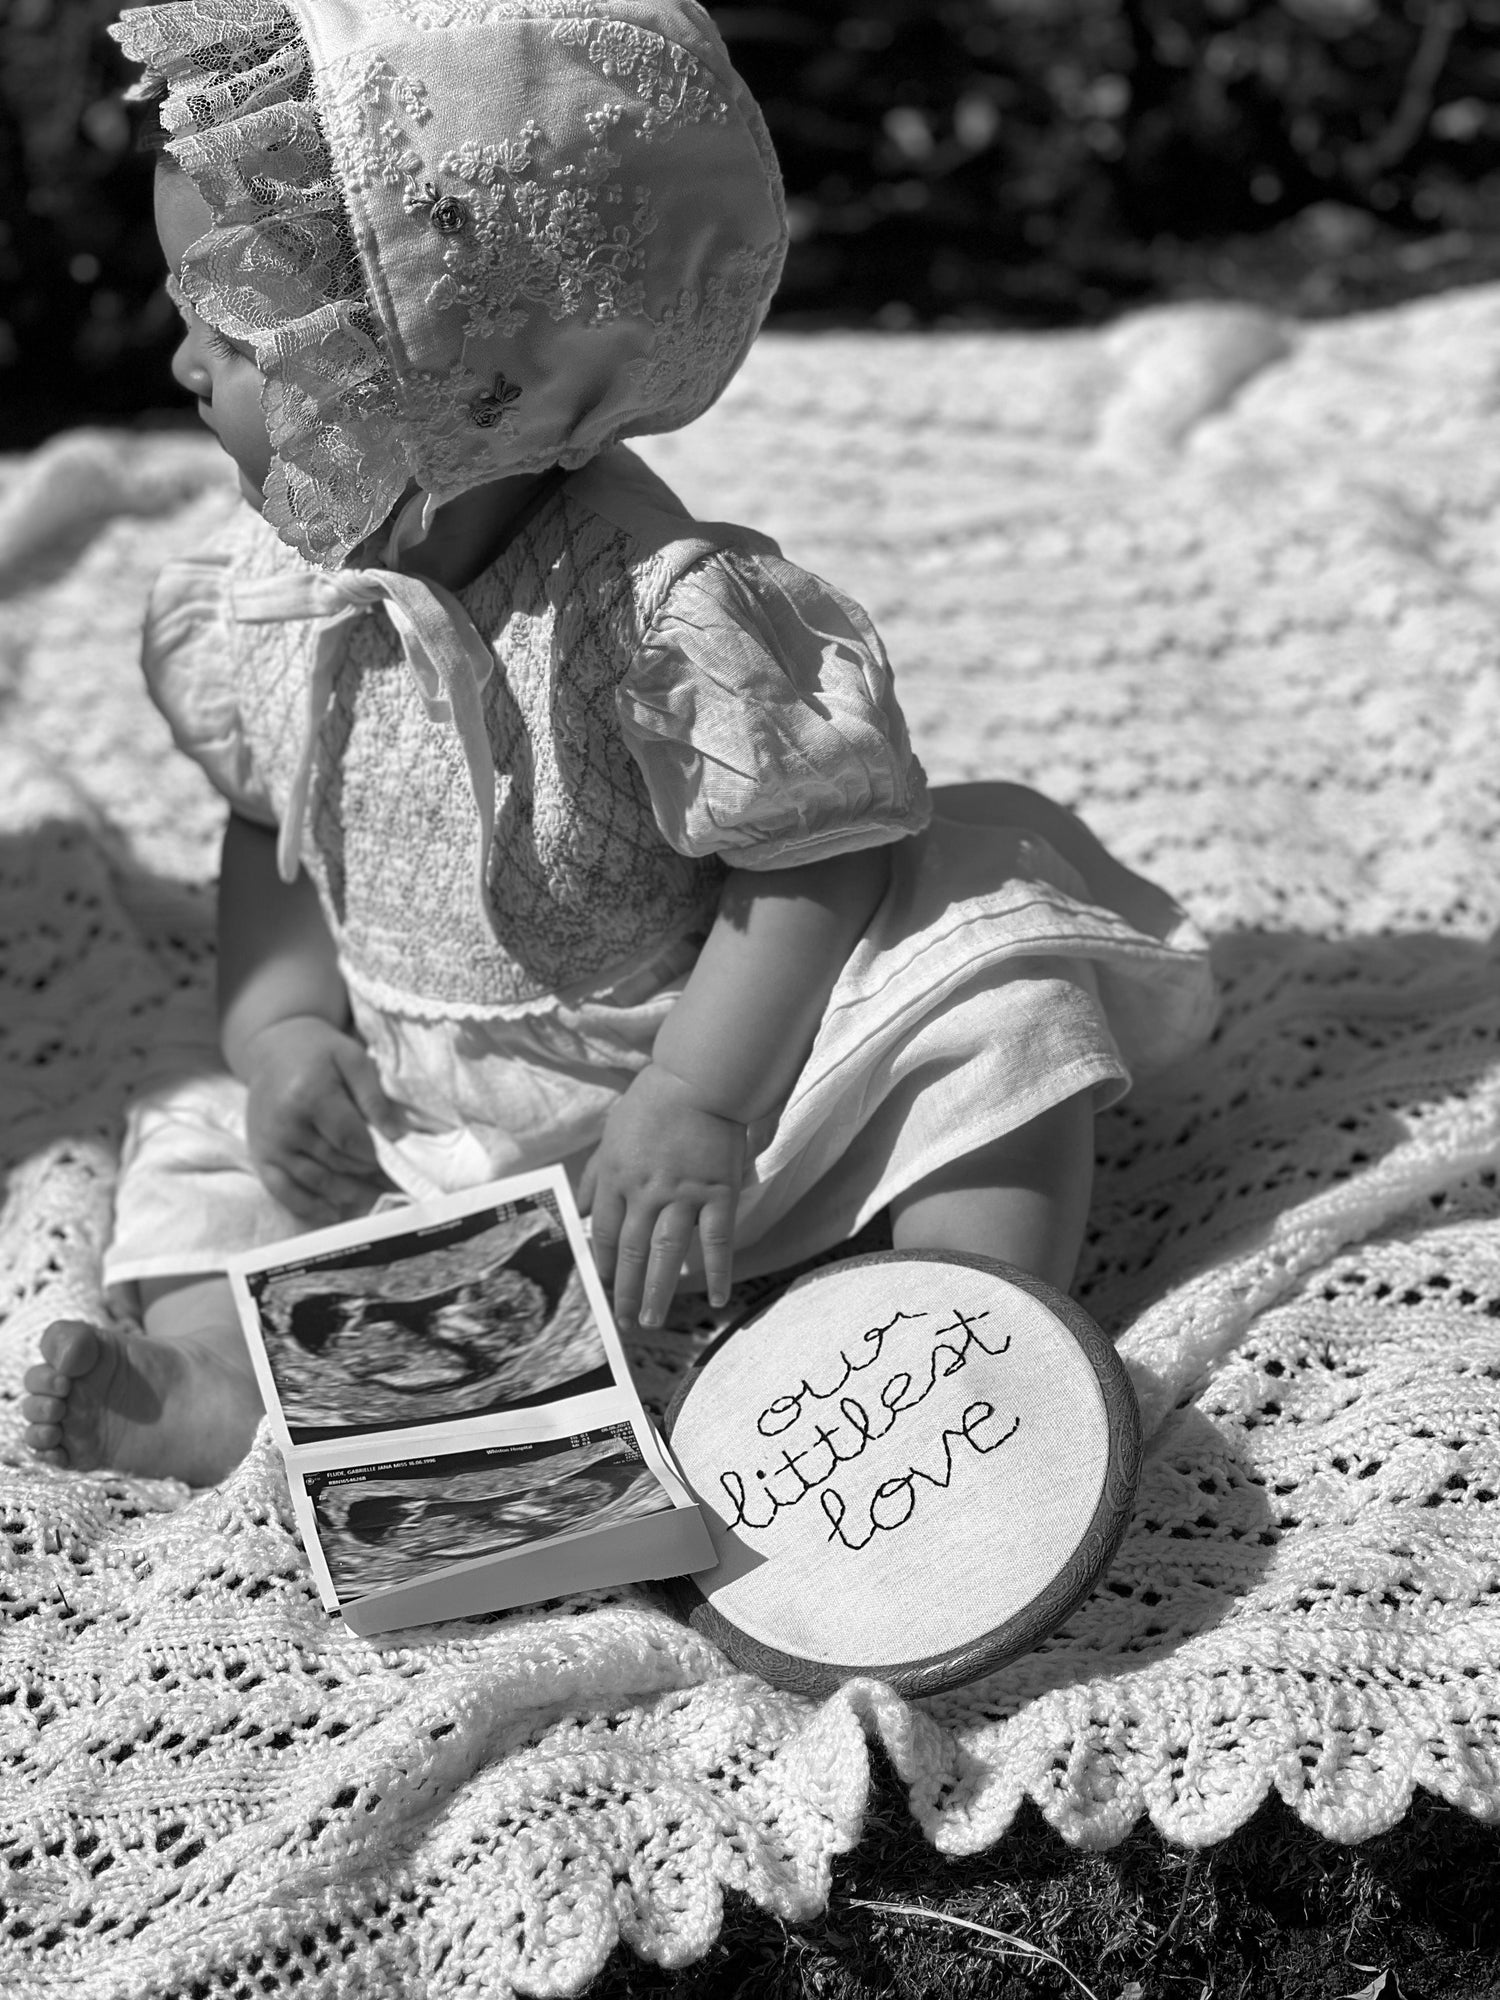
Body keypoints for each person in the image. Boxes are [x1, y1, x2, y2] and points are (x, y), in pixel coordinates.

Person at [22, 0, 1215, 1488]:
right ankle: (221, 1382)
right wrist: (283, 1039)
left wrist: (700, 1102)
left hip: (716, 1059)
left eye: (237, 334)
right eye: (187, 318)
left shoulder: (658, 608)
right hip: (419, 1098)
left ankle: (965, 1327)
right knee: (199, 1127)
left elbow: (813, 866)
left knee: (998, 1008)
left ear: (467, 366)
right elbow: (278, 827)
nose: (187, 368)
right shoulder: (264, 592)